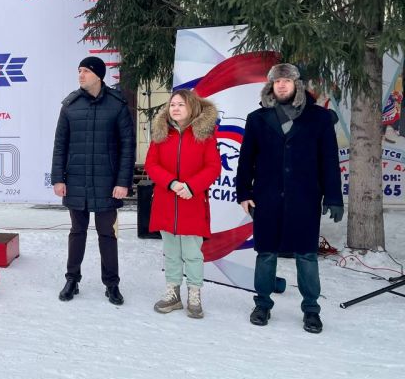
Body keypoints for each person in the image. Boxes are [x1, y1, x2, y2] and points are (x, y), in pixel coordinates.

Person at [236, 63, 343, 334]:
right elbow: (246, 160)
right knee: (266, 253)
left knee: (306, 255)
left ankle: (311, 310)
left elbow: (329, 160)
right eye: (277, 81)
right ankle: (262, 304)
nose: (282, 85)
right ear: (271, 86)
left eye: (287, 80)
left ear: (297, 84)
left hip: (305, 198)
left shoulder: (319, 118)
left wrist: (333, 196)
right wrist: (244, 193)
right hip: (266, 197)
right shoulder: (257, 118)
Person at [51, 56, 135, 306]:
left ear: (98, 75)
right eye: (79, 71)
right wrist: (58, 179)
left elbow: (127, 147)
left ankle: (112, 284)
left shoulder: (117, 105)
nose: (81, 75)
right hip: (76, 180)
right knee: (77, 232)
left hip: (108, 182)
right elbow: (60, 145)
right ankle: (72, 280)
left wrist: (123, 182)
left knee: (107, 233)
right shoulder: (70, 105)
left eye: (86, 71)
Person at [145, 89, 221, 318]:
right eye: (172, 104)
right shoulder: (161, 133)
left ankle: (194, 294)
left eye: (181, 104)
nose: (175, 108)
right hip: (166, 202)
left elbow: (213, 167)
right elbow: (151, 164)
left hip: (192, 202)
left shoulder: (205, 135)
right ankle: (173, 293)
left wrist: (191, 186)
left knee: (192, 253)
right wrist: (171, 183)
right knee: (171, 253)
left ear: (192, 107)